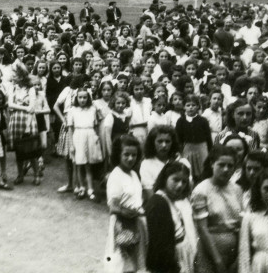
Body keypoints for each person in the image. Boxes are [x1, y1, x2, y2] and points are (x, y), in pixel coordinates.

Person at [192, 145, 243, 273]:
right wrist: (217, 260)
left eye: (230, 166)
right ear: (212, 164)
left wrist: (239, 256)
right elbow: (202, 229)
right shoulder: (201, 190)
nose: (226, 169)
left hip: (234, 250)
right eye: (221, 165)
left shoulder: (237, 189)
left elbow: (242, 223)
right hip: (210, 250)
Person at [104, 134, 146, 273]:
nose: (130, 158)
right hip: (122, 224)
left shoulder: (133, 174)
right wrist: (127, 212)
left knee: (137, 260)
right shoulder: (116, 176)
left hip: (135, 221)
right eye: (126, 154)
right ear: (118, 154)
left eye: (134, 155)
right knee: (121, 261)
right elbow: (113, 207)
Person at [145, 162, 197, 273]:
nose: (180, 185)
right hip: (169, 264)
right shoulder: (158, 203)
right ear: (165, 178)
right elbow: (160, 247)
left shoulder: (169, 200)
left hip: (179, 256)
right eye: (175, 180)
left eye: (184, 182)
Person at [8, 62, 41, 185]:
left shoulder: (31, 88)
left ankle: (37, 174)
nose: (12, 77)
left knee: (31, 149)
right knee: (19, 149)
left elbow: (32, 108)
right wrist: (24, 107)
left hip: (28, 121)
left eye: (15, 75)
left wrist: (19, 107)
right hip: (16, 120)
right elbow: (10, 104)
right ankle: (20, 174)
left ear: (21, 76)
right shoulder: (12, 88)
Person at [68, 87, 103, 200]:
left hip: (90, 135)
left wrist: (96, 137)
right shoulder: (72, 110)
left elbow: (96, 124)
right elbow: (70, 128)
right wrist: (71, 144)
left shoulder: (92, 109)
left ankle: (90, 189)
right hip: (78, 135)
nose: (82, 100)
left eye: (85, 97)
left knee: (88, 165)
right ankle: (82, 187)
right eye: (80, 97)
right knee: (79, 164)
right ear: (76, 98)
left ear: (88, 98)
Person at [175, 94, 212, 183]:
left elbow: (208, 138)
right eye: (188, 105)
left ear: (198, 107)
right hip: (188, 149)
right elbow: (178, 138)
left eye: (193, 105)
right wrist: (179, 151)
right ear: (184, 107)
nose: (191, 108)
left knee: (203, 170)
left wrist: (210, 151)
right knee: (189, 170)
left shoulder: (203, 120)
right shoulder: (181, 121)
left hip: (201, 148)